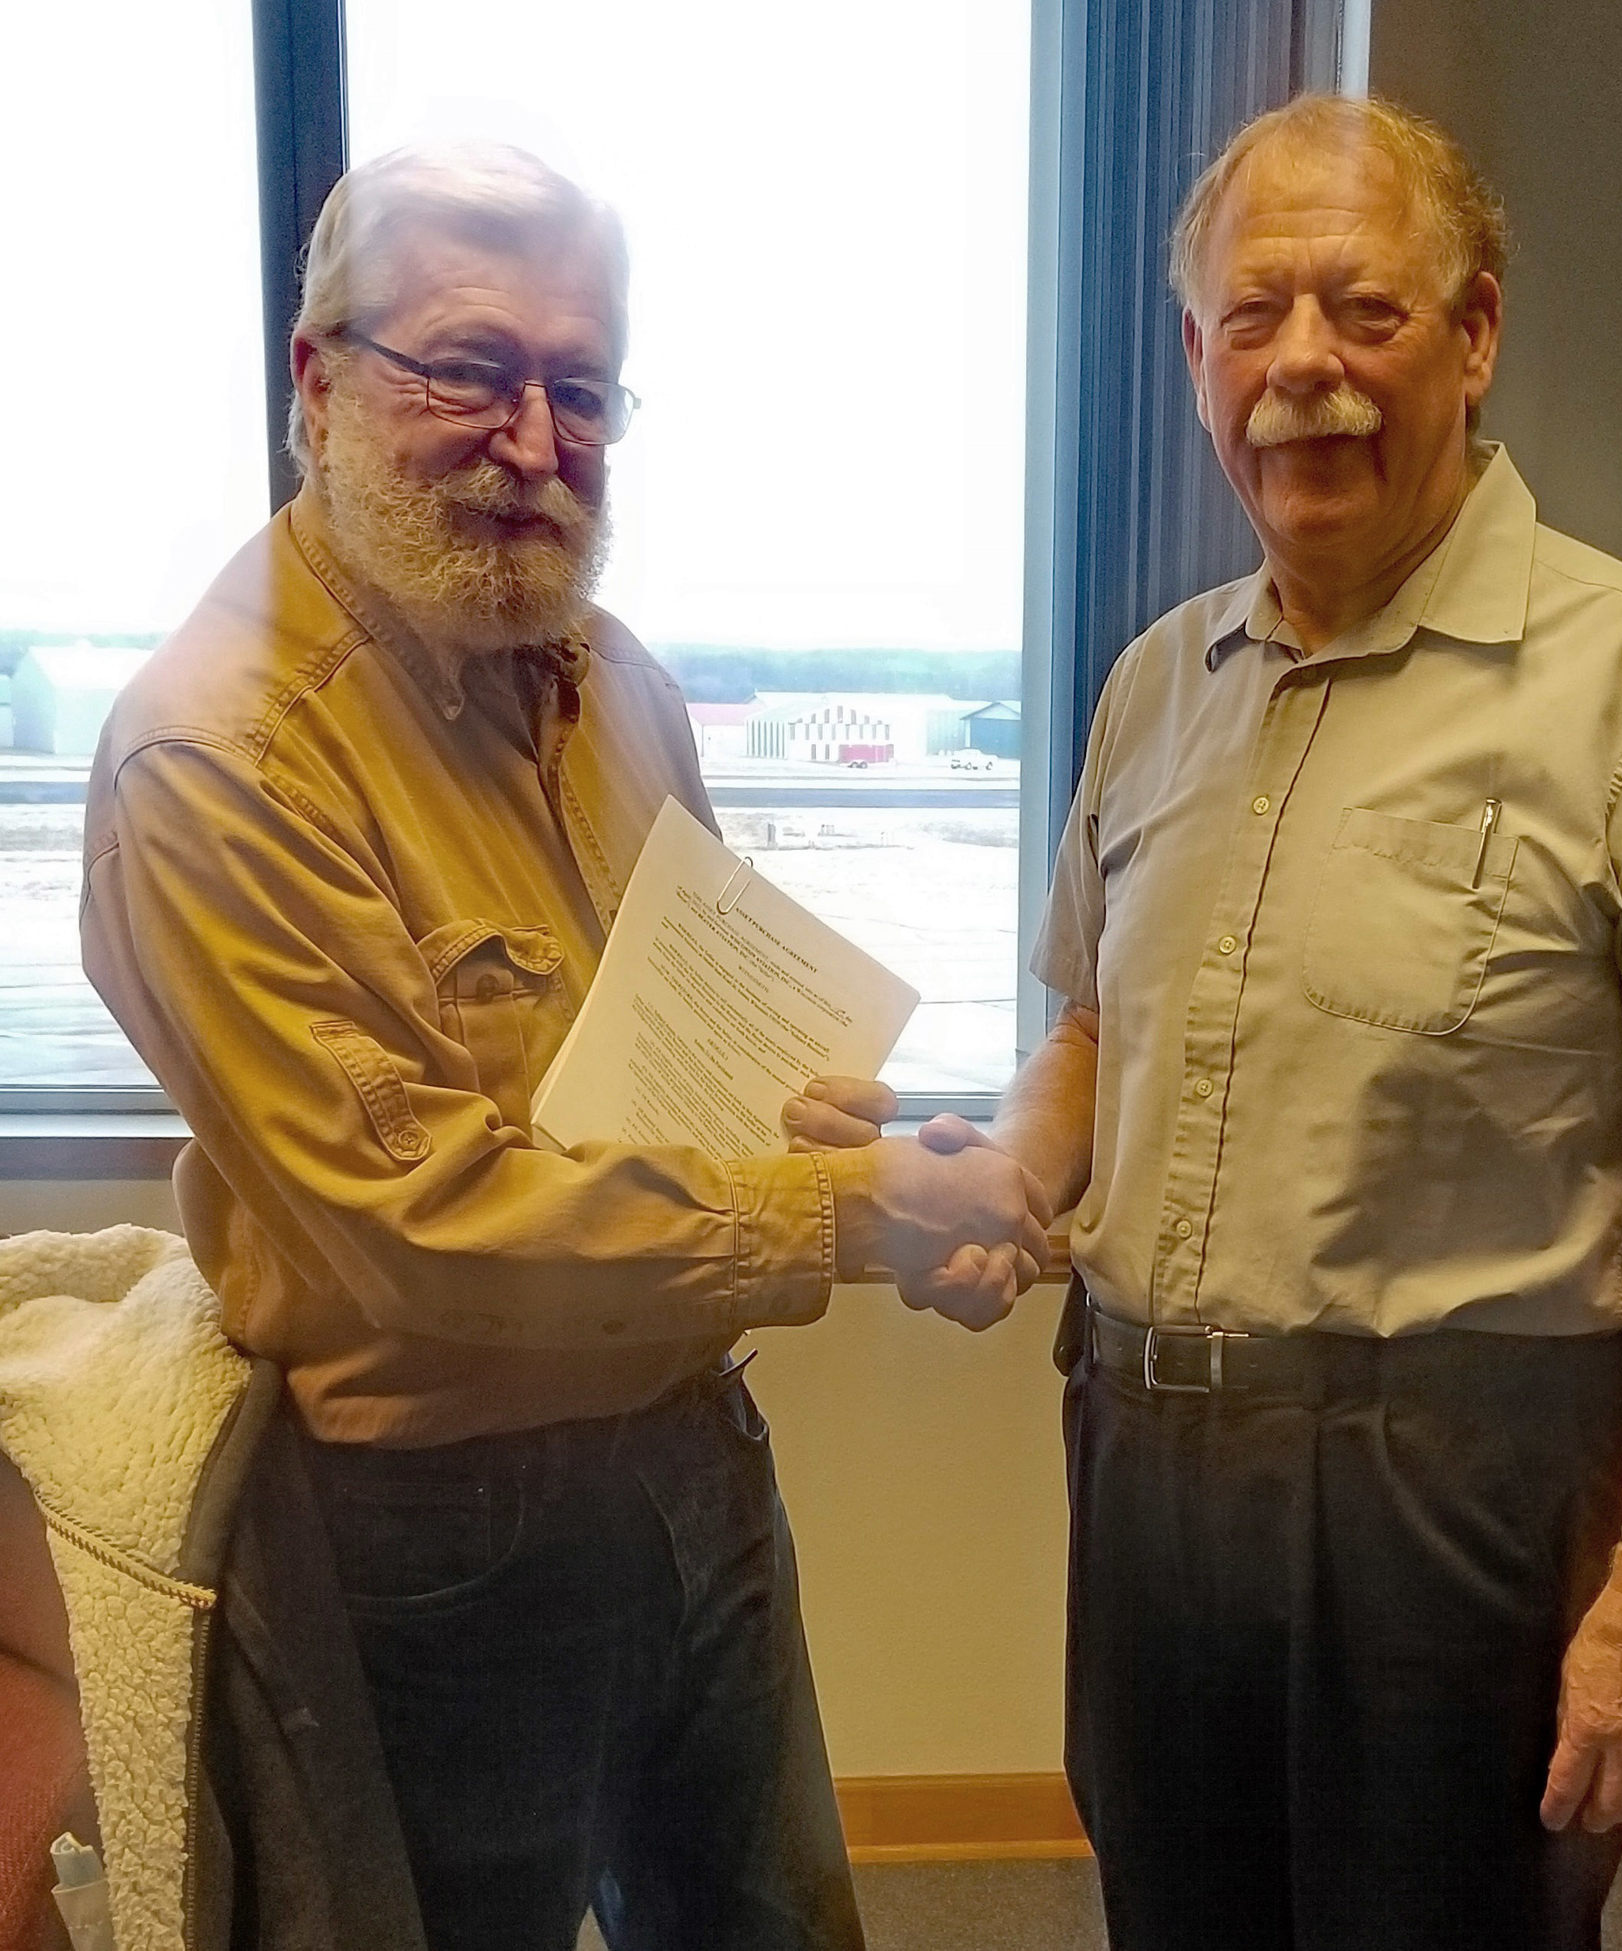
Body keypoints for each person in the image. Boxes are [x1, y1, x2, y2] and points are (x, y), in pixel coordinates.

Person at [918, 93, 1622, 1949]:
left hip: (1464, 1491)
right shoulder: (1154, 689)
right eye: (1258, 315)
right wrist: (1010, 1175)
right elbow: (1090, 1036)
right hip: (1144, 1462)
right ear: (1195, 354)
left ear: (1476, 334)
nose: (1308, 369)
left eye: (1365, 312)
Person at [80, 144, 1050, 1951]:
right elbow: (419, 1222)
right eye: (466, 368)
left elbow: (696, 1074)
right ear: (320, 379)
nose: (533, 436)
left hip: (695, 1455)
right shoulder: (215, 756)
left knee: (770, 1926)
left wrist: (878, 1152)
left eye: (579, 385)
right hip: (437, 1535)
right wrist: (855, 1213)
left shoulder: (616, 680)